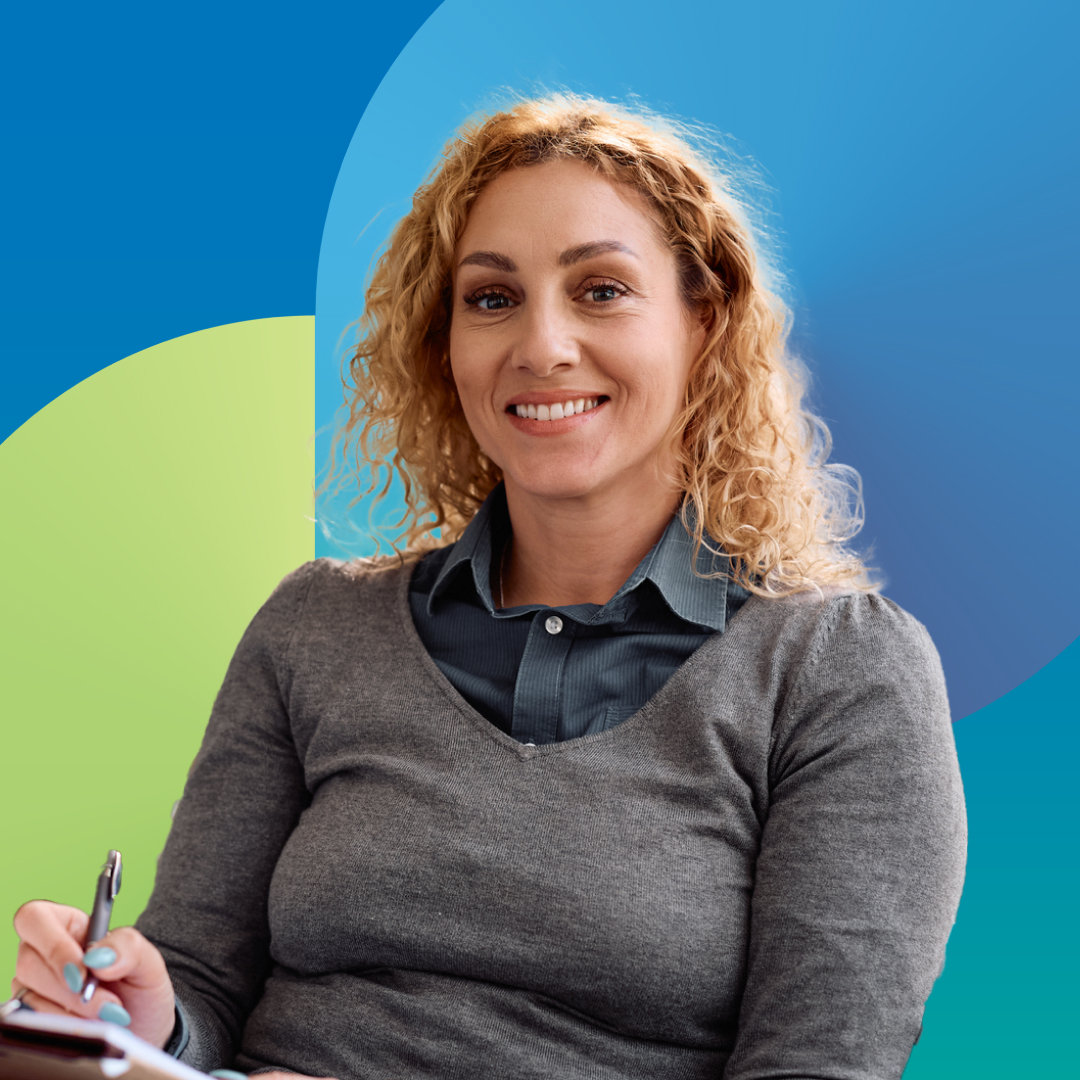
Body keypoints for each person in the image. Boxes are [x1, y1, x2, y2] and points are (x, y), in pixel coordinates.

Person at [9, 95, 966, 1080]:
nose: (541, 346)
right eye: (492, 298)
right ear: (445, 346)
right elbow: (202, 989)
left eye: (600, 290)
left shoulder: (840, 671)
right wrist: (149, 1019)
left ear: (704, 322)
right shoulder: (314, 628)